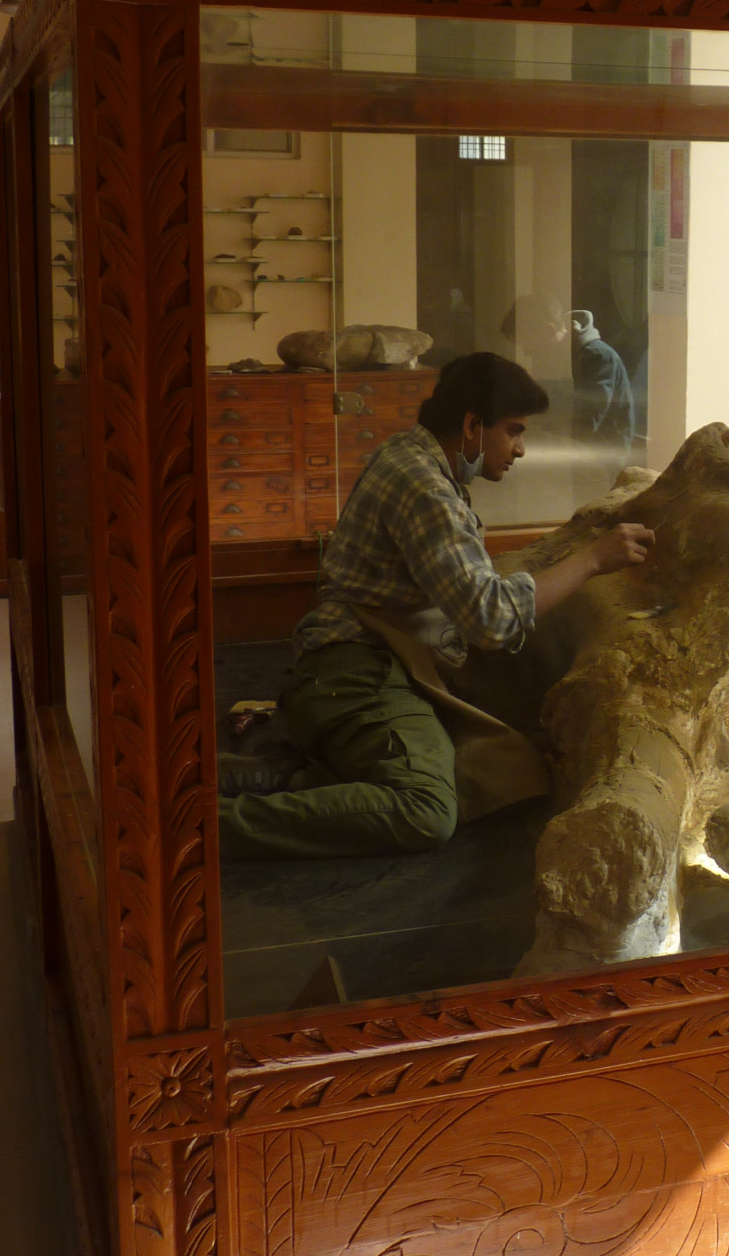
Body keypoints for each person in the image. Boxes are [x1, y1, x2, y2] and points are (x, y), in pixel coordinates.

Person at [219, 351, 653, 859]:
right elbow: (490, 620)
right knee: (426, 809)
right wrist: (592, 560)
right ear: (472, 425)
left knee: (503, 766)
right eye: (513, 431)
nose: (520, 449)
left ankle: (292, 772)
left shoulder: (411, 456)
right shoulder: (423, 486)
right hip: (355, 675)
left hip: (352, 672)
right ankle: (216, 829)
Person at [568, 308, 635, 450]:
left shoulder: (598, 355)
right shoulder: (589, 353)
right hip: (596, 449)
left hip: (603, 452)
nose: (526, 351)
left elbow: (592, 411)